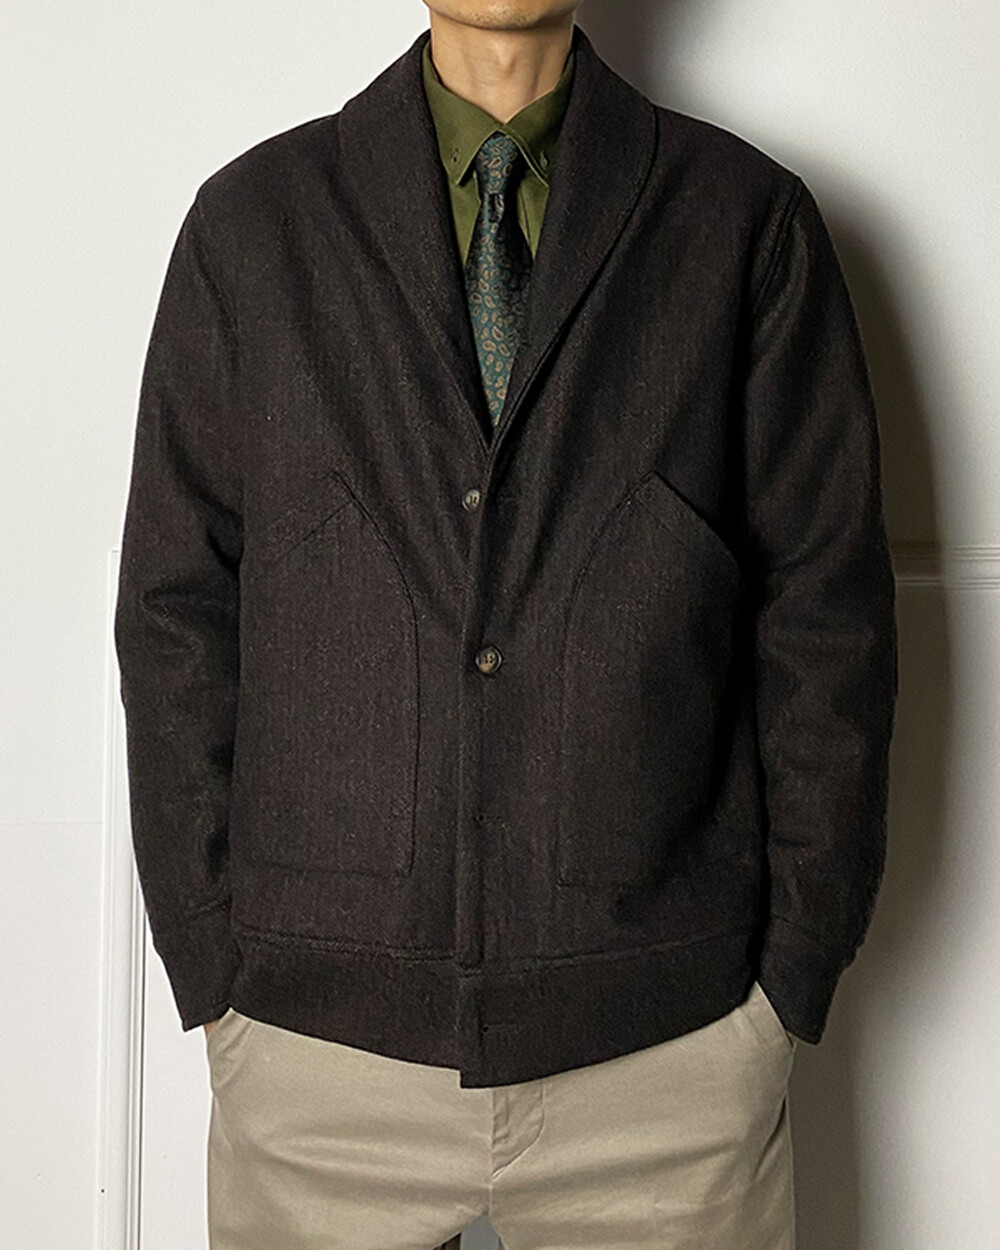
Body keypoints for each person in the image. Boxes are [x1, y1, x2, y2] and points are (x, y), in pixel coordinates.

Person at [113, 1, 898, 1246]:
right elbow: (174, 610)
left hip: (667, 1060)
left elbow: (826, 617)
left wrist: (787, 981)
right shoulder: (253, 226)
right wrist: (211, 968)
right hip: (317, 1062)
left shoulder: (742, 221)